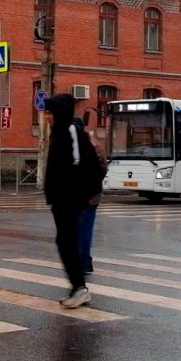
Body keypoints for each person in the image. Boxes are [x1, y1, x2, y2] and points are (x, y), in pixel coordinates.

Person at [43, 94, 104, 309]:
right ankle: (78, 287)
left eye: (50, 113)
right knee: (65, 242)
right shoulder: (58, 132)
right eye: (45, 113)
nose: (46, 117)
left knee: (67, 241)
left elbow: (79, 165)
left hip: (71, 199)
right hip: (61, 200)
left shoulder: (71, 131)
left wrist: (78, 194)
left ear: (59, 112)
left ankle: (80, 288)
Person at [75, 116, 103, 275]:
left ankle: (84, 261)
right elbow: (103, 169)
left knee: (82, 229)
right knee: (85, 229)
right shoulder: (96, 143)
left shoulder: (81, 145)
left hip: (84, 196)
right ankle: (84, 261)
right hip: (93, 195)